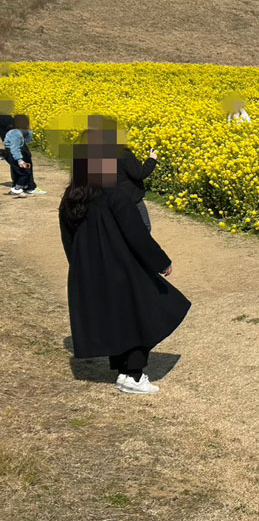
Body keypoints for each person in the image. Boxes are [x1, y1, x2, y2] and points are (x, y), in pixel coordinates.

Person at [59, 119, 190, 394]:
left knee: (117, 318)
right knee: (143, 312)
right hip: (121, 266)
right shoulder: (115, 195)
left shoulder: (71, 197)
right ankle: (133, 375)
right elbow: (137, 236)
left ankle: (125, 373)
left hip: (91, 271)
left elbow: (68, 239)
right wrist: (162, 262)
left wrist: (81, 268)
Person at [117, 144, 159, 231]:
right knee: (144, 227)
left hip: (113, 198)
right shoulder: (123, 154)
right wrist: (152, 159)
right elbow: (139, 174)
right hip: (131, 197)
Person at [4, 114, 44, 197]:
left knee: (21, 171)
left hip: (14, 153)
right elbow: (15, 148)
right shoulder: (16, 134)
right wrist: (19, 160)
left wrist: (29, 132)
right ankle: (17, 189)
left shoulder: (18, 132)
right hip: (12, 154)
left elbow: (27, 141)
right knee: (24, 172)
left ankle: (23, 187)